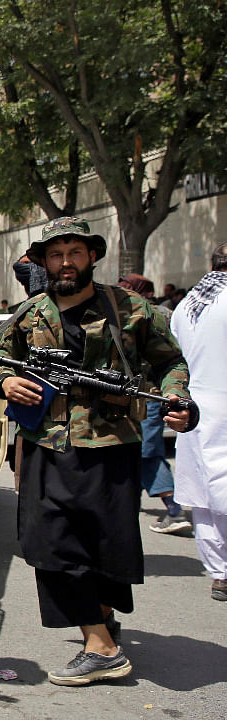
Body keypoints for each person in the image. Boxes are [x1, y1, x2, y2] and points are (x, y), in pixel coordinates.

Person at [0, 216, 192, 686]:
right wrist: (9, 381)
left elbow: (170, 363)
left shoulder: (130, 308)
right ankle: (100, 644)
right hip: (47, 443)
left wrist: (179, 400)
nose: (66, 262)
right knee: (49, 544)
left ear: (92, 257)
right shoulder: (30, 313)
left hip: (110, 443)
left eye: (75, 253)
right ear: (44, 262)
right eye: (56, 254)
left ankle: (100, 624)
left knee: (109, 546)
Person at [171, 242, 227, 601]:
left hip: (194, 408)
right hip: (218, 405)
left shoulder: (187, 304)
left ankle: (220, 573)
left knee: (204, 498)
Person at [117, 274, 187, 534]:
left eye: (126, 286)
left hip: (152, 394)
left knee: (148, 451)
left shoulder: (153, 314)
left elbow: (171, 357)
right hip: (133, 395)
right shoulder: (126, 309)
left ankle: (174, 508)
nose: (121, 290)